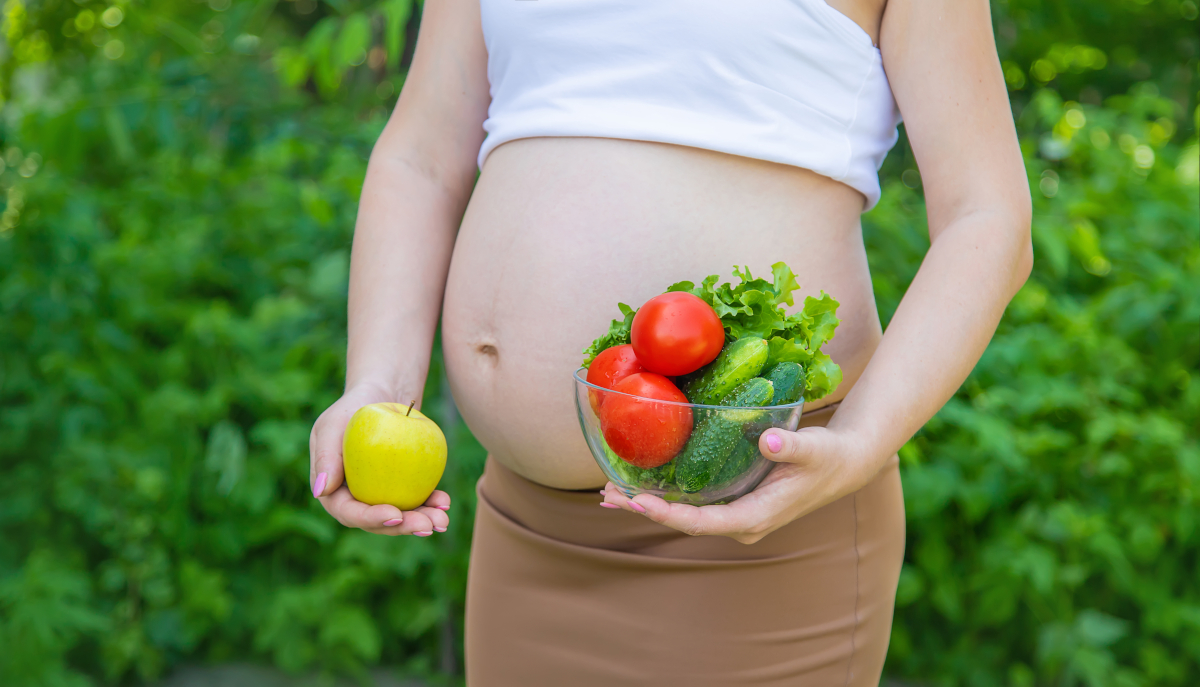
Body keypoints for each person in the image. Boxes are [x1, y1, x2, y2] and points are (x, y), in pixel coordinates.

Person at [308, 0, 1032, 683]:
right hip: (523, 524)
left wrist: (862, 441)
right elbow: (421, 159)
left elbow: (987, 215)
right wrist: (376, 384)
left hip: (752, 522)